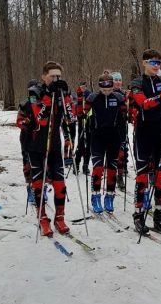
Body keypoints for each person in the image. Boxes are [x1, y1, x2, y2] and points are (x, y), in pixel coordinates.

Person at [23, 61, 77, 237]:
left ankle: (59, 217)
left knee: (60, 184)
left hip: (54, 145)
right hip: (36, 146)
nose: (55, 79)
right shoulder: (35, 93)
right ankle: (42, 218)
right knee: (38, 184)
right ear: (43, 76)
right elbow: (41, 119)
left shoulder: (61, 92)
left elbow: (71, 118)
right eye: (52, 76)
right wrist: (48, 98)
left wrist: (66, 98)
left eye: (58, 76)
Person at [129, 49, 161, 235]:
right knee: (143, 173)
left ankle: (159, 213)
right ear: (144, 63)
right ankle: (138, 214)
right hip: (144, 131)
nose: (157, 66)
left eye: (159, 63)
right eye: (153, 62)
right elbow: (144, 103)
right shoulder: (138, 82)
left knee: (160, 174)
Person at [87, 72, 127, 215]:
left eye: (109, 89)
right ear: (99, 87)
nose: (106, 92)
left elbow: (124, 118)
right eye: (104, 90)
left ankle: (109, 196)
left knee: (112, 169)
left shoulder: (118, 98)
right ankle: (95, 196)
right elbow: (82, 114)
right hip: (97, 137)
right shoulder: (93, 98)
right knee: (98, 168)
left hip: (114, 137)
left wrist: (123, 137)